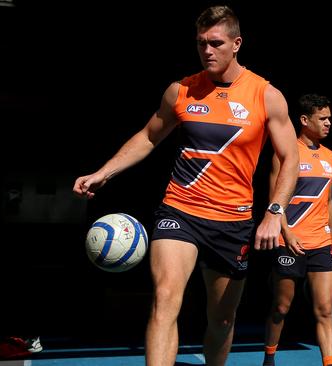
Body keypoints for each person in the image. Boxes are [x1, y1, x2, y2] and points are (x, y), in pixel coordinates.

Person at [72, 5, 299, 366]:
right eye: (200, 43)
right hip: (180, 211)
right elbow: (148, 137)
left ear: (237, 43)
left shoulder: (265, 95)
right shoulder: (181, 91)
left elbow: (291, 159)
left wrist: (275, 212)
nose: (206, 50)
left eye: (215, 43)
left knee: (222, 319)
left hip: (233, 222)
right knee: (164, 300)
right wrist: (104, 172)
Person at [262, 94, 332, 366]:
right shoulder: (286, 153)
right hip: (290, 241)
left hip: (321, 242)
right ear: (305, 120)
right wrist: (286, 233)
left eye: (329, 118)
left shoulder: (331, 157)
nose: (329, 123)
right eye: (323, 118)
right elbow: (274, 200)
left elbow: (328, 203)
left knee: (325, 310)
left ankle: (329, 363)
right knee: (281, 307)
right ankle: (269, 357)